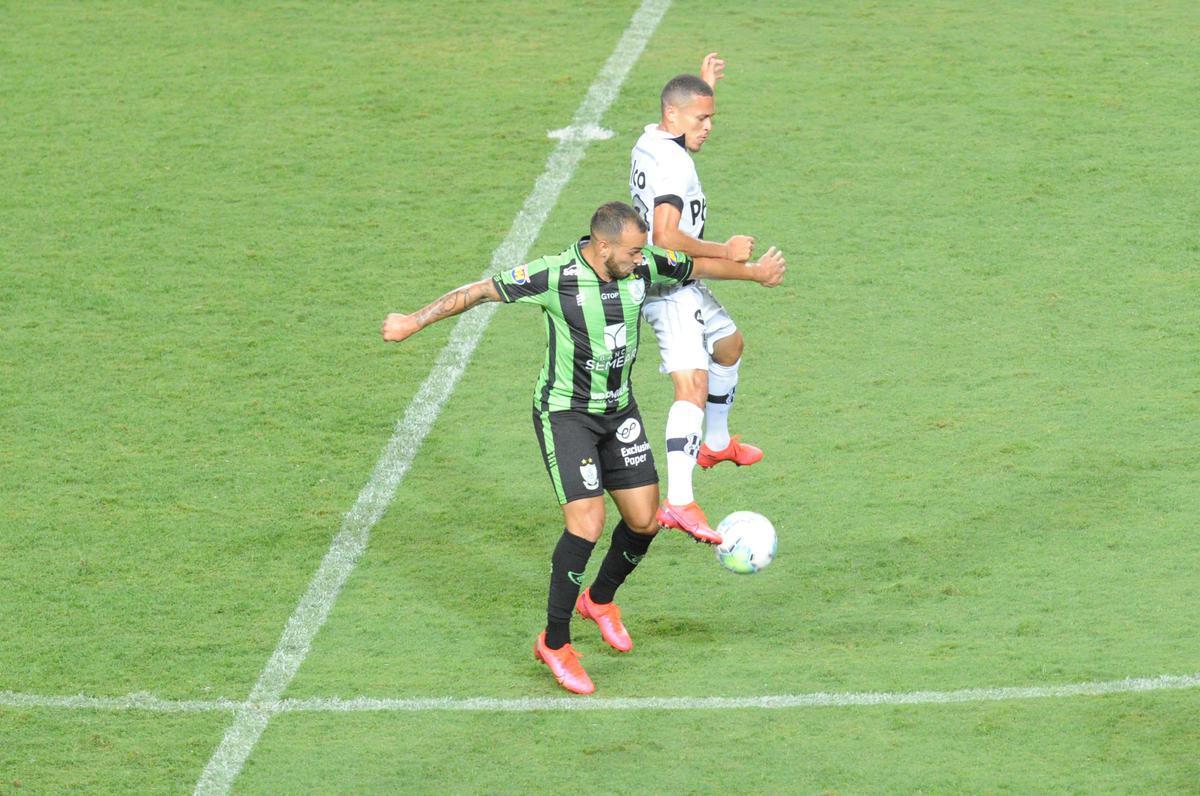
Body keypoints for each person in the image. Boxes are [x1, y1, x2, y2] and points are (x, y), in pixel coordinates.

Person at [382, 201, 785, 695]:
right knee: (587, 524)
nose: (642, 259)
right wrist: (411, 322)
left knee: (645, 520)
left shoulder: (644, 264)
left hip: (619, 411)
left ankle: (599, 600)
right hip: (565, 414)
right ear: (603, 246)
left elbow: (696, 265)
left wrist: (755, 271)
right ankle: (554, 642)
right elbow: (480, 291)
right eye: (633, 252)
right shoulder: (555, 275)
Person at [630, 53, 762, 542]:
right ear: (673, 116)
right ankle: (680, 501)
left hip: (683, 281)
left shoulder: (652, 139)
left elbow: (680, 115)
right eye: (701, 119)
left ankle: (716, 442)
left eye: (711, 118)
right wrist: (726, 251)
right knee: (692, 388)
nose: (708, 128)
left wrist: (702, 87)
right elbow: (666, 236)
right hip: (668, 287)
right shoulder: (673, 162)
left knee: (730, 346)